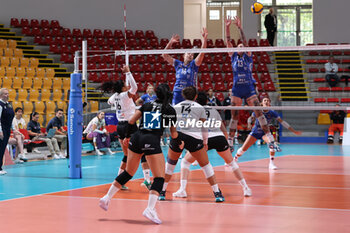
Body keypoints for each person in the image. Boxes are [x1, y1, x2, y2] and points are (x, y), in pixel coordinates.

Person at [99, 84, 178, 224]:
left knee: (129, 172)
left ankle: (106, 198)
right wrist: (179, 141)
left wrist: (127, 137)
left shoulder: (147, 104)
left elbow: (131, 120)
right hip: (151, 139)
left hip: (136, 137)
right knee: (160, 177)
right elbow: (173, 133)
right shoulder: (169, 109)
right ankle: (150, 209)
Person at [172, 92, 252, 198]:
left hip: (205, 139)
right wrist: (229, 143)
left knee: (185, 162)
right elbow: (223, 129)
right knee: (232, 163)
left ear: (196, 100)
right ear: (206, 101)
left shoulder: (195, 109)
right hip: (219, 138)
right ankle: (246, 188)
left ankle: (182, 190)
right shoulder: (213, 110)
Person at [159, 86, 225, 202]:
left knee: (170, 165)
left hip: (178, 136)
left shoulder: (176, 107)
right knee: (206, 165)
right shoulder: (200, 107)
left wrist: (173, 138)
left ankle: (162, 192)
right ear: (195, 96)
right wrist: (205, 142)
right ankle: (217, 193)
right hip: (194, 138)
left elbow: (170, 126)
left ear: (183, 96)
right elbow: (204, 127)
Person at [225, 16, 279, 152]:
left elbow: (244, 41)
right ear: (237, 50)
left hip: (249, 88)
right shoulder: (233, 57)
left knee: (259, 113)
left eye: (243, 46)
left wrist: (239, 28)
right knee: (234, 116)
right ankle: (230, 141)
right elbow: (228, 42)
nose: (241, 47)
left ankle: (270, 139)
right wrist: (227, 28)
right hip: (237, 89)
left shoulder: (248, 55)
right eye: (239, 47)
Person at [102, 65, 151, 189]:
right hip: (130, 126)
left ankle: (120, 180)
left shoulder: (115, 96)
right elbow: (135, 87)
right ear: (123, 88)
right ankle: (147, 180)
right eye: (125, 84)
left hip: (120, 126)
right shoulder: (125, 95)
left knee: (126, 155)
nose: (127, 86)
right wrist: (128, 73)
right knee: (143, 152)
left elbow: (109, 101)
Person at [235, 97, 302, 170]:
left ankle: (271, 163)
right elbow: (250, 118)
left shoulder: (272, 112)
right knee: (243, 149)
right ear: (262, 103)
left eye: (268, 101)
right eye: (265, 100)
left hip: (265, 133)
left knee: (271, 144)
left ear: (269, 104)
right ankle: (235, 158)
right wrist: (249, 123)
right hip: (255, 132)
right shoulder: (258, 111)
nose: (266, 101)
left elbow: (282, 122)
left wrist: (293, 131)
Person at [162, 28, 208, 105]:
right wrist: (170, 43)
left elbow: (202, 53)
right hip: (177, 92)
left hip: (189, 94)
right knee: (176, 114)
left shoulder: (194, 64)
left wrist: (204, 39)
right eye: (188, 53)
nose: (190, 55)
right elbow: (164, 55)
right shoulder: (178, 64)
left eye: (192, 54)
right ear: (184, 55)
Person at [0, 88, 15, 175]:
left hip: (7, 129)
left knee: (2, 148)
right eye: (5, 94)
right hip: (2, 130)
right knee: (0, 149)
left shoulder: (9, 105)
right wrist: (0, 131)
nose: (7, 95)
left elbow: (11, 118)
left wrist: (14, 129)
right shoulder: (0, 105)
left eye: (8, 93)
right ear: (1, 95)